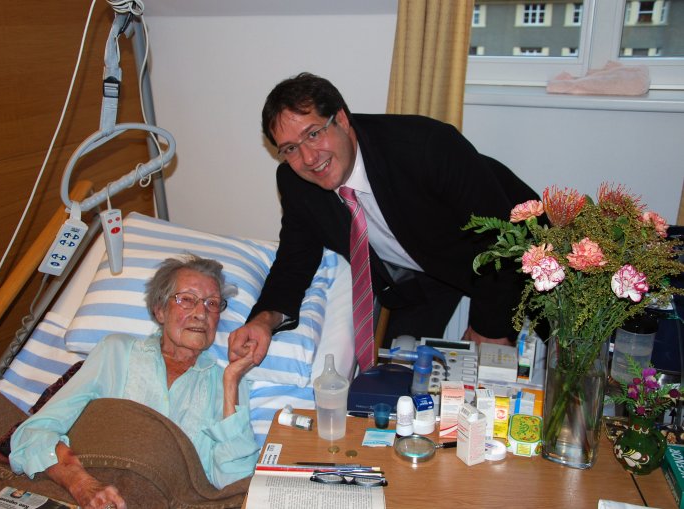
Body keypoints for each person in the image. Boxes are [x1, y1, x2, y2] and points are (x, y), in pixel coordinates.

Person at [228, 72, 540, 370]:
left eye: (313, 134)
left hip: (513, 250)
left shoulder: (425, 146)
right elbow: (294, 261)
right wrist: (263, 320)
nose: (309, 158)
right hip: (422, 273)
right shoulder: (296, 184)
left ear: (342, 120)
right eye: (290, 149)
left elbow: (504, 240)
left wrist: (489, 327)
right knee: (395, 378)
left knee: (555, 352)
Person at [10, 255, 260, 509]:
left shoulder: (228, 384)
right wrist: (80, 483)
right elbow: (31, 434)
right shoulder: (115, 352)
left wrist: (231, 383)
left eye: (212, 304)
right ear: (160, 311)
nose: (201, 313)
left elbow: (234, 483)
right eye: (187, 300)